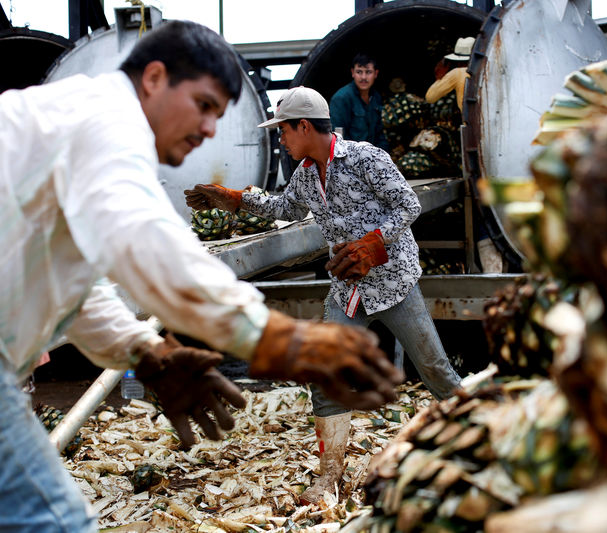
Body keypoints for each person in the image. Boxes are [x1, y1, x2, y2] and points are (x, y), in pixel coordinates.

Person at [0, 21, 402, 532]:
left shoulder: (77, 127)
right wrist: (276, 338)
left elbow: (72, 282)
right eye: (205, 105)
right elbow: (144, 241)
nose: (211, 128)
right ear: (154, 77)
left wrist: (142, 350)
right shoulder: (105, 122)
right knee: (53, 522)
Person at [185, 86, 463, 505]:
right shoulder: (305, 174)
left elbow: (407, 205)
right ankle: (329, 477)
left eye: (283, 132)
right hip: (348, 289)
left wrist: (374, 243)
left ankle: (490, 441)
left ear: (303, 126)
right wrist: (237, 200)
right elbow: (286, 209)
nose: (281, 140)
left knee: (436, 370)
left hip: (393, 283)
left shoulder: (365, 158)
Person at [425, 36, 504, 273]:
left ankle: (491, 268)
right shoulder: (493, 69)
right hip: (498, 141)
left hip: (475, 142)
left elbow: (430, 96)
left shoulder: (459, 73)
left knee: (478, 203)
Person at [329, 53, 390, 151]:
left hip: (372, 157)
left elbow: (380, 134)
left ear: (376, 74)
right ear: (352, 72)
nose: (363, 77)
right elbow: (338, 139)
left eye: (368, 72)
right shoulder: (341, 99)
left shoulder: (376, 97)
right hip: (350, 158)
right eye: (359, 72)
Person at [425, 36, 474, 112]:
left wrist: (441, 76)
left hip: (471, 121)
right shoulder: (486, 70)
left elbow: (430, 97)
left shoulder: (458, 73)